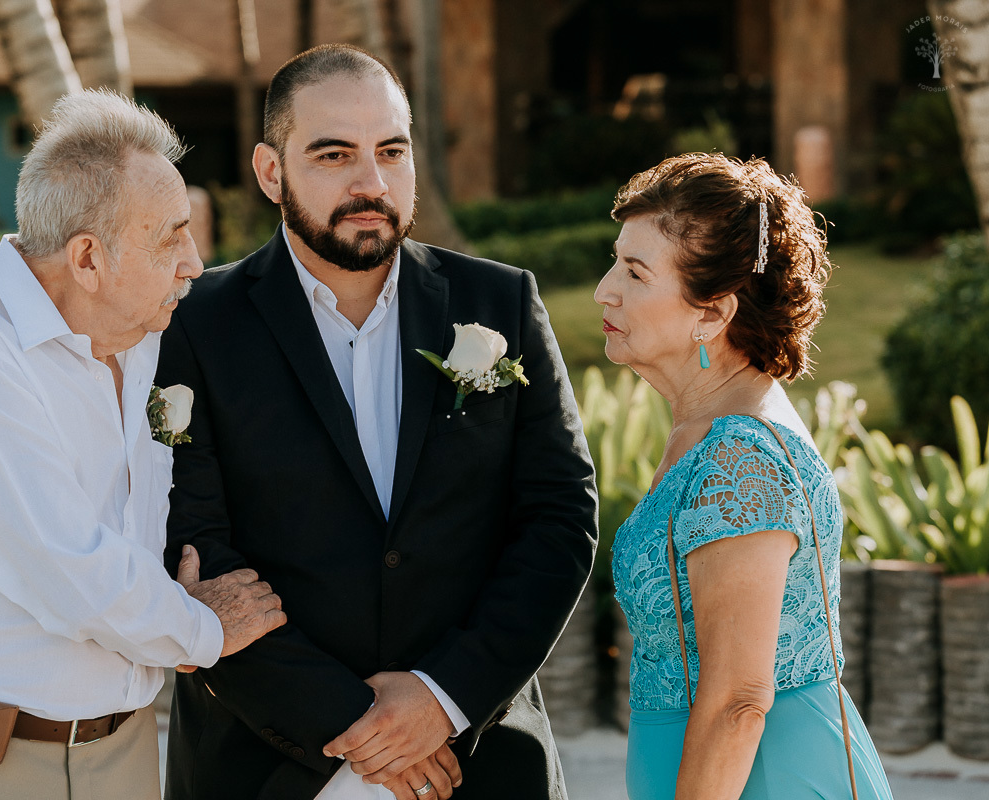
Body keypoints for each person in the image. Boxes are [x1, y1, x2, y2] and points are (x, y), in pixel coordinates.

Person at [156, 44, 597, 800]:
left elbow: (559, 521)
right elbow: (193, 551)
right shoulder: (187, 325)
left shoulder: (500, 306)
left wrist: (443, 699)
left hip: (477, 760)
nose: (372, 183)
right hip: (266, 767)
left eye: (391, 151)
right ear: (271, 171)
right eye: (334, 154)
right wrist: (361, 727)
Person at [0, 90, 286, 800]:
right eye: (170, 237)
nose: (193, 262)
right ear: (87, 258)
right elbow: (72, 569)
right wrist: (203, 628)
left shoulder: (143, 338)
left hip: (121, 752)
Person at [596, 153, 893, 799]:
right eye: (615, 260)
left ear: (713, 313)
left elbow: (738, 700)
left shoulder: (739, 458)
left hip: (758, 776)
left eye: (635, 272)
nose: (604, 289)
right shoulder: (709, 429)